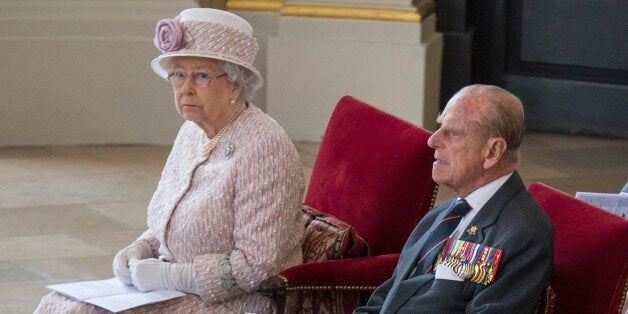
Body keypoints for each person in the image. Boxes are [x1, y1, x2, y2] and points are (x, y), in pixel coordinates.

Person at [35, 8, 305, 313]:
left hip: (238, 303)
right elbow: (174, 216)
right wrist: (142, 247)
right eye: (178, 74)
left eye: (201, 75)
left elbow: (258, 265)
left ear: (235, 83)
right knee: (57, 304)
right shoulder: (191, 132)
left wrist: (169, 275)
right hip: (173, 291)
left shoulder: (264, 146)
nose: (185, 88)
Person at [354, 84, 554, 313]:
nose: (432, 140)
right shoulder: (443, 214)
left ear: (492, 151)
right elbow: (387, 299)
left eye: (453, 133)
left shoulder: (523, 234)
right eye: (440, 127)